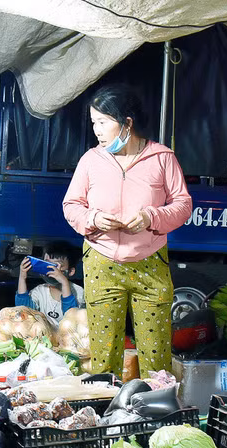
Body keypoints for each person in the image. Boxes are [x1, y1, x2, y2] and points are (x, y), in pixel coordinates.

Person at [62, 83, 192, 376]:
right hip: (102, 262)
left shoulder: (162, 158)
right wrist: (93, 218)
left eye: (103, 122)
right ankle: (104, 409)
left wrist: (151, 217)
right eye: (93, 122)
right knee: (104, 352)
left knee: (156, 351)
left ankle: (155, 410)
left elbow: (183, 205)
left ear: (127, 123)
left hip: (150, 263)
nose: (96, 130)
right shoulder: (91, 161)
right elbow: (71, 206)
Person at [16, 241, 85, 326]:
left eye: (56, 265)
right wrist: (22, 277)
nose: (51, 269)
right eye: (47, 264)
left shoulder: (78, 292)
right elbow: (24, 311)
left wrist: (64, 283)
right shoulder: (39, 291)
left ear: (71, 271)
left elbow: (71, 318)